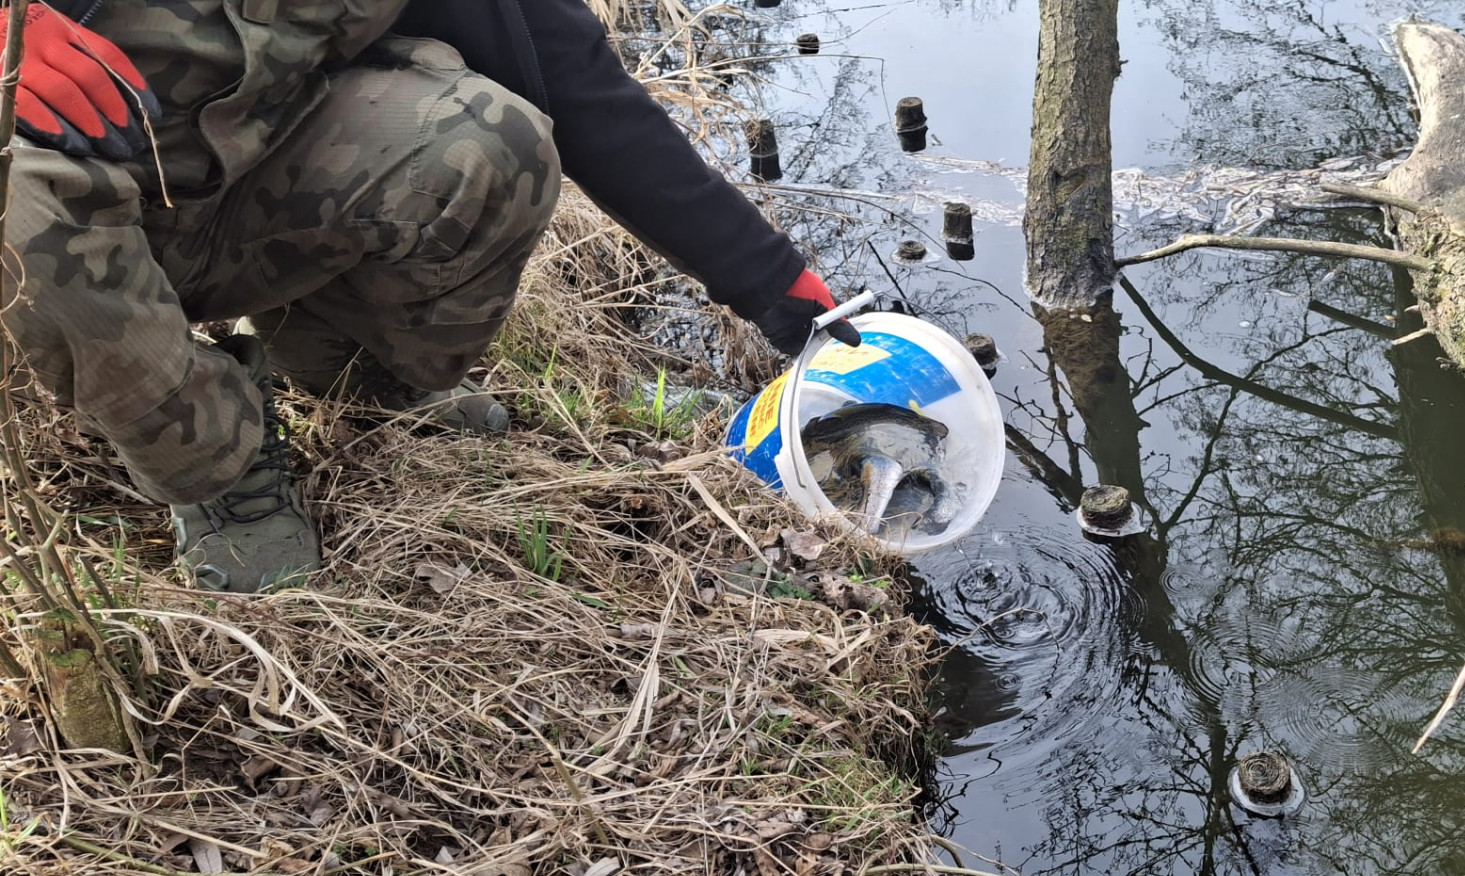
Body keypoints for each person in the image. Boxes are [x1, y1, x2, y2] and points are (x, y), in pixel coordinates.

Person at [0, 0, 862, 592]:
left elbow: (578, 84)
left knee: (493, 141)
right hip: (72, 226)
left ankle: (353, 374)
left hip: (246, 197)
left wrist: (772, 282)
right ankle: (217, 465)